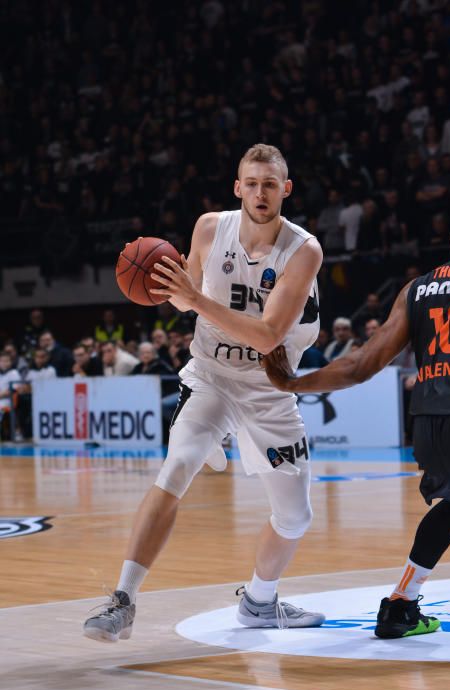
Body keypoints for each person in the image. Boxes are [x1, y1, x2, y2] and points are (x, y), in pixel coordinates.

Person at [83, 143, 325, 642]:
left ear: (286, 189)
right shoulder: (211, 228)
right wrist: (156, 284)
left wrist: (194, 299)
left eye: (270, 184)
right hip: (211, 375)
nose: (261, 192)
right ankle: (122, 600)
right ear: (238, 189)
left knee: (296, 516)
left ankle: (260, 602)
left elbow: (266, 335)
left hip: (269, 388)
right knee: (177, 465)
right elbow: (184, 294)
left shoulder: (304, 251)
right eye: (252, 184)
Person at [263, 207, 450, 640]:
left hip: (430, 421)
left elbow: (361, 365)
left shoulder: (418, 289)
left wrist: (293, 382)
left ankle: (400, 605)